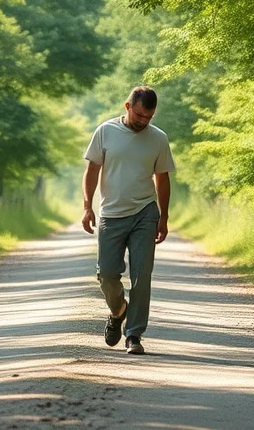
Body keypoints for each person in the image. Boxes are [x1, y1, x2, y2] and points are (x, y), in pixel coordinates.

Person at [81, 86, 175, 355]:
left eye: (149, 117)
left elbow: (163, 178)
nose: (143, 121)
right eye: (139, 115)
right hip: (111, 213)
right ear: (127, 107)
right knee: (107, 275)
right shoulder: (106, 131)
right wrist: (87, 207)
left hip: (145, 212)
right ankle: (118, 310)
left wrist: (164, 216)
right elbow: (91, 170)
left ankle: (134, 334)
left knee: (141, 276)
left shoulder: (158, 139)